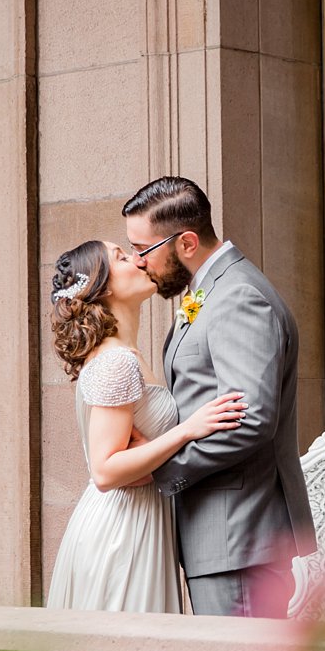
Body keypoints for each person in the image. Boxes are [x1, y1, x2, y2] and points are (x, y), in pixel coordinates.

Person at [123, 177, 317, 618]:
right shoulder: (209, 290)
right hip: (221, 535)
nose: (138, 262)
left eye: (143, 249)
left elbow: (251, 420)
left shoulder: (239, 297)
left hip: (239, 535)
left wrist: (158, 468)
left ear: (186, 242)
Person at [44, 238, 248, 613]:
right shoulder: (116, 361)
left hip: (143, 518)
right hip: (122, 532)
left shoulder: (125, 354)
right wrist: (186, 430)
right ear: (100, 287)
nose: (138, 259)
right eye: (122, 257)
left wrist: (151, 460)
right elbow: (105, 471)